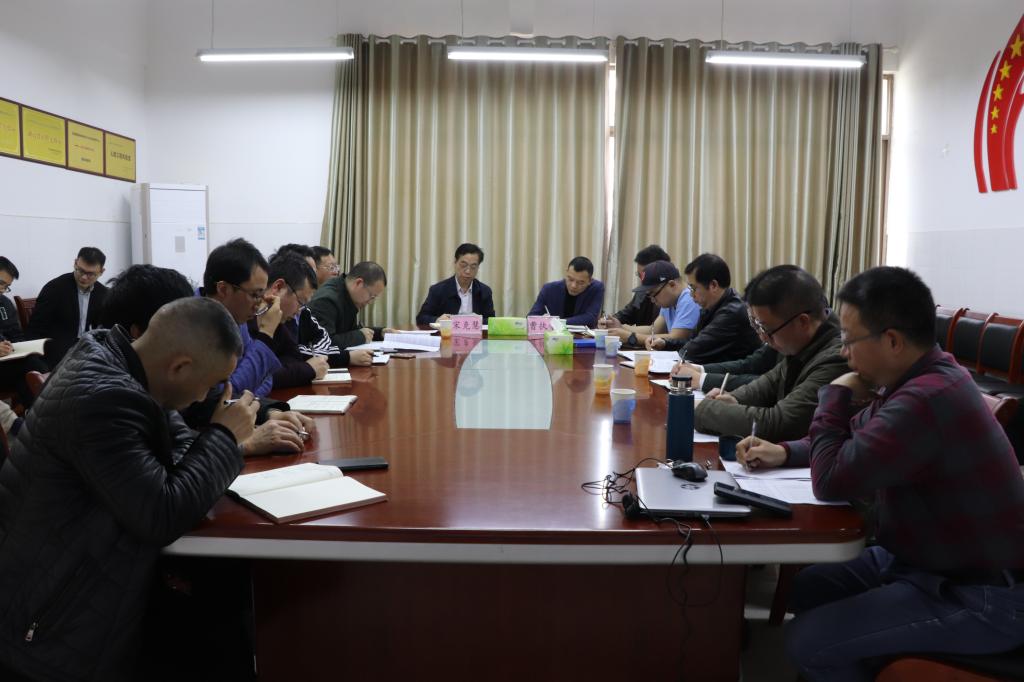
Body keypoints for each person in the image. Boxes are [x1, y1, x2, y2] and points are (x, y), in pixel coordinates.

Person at [765, 266, 1024, 680]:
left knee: (807, 642)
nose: (843, 353)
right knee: (810, 586)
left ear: (892, 341)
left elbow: (831, 481)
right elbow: (856, 437)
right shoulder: (919, 378)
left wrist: (836, 393)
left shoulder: (926, 399)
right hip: (925, 560)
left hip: (981, 594)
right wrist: (783, 452)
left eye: (849, 340)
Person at [0, 297, 257, 682]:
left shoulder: (128, 368)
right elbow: (162, 513)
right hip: (47, 631)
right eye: (209, 385)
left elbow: (178, 450)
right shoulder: (103, 398)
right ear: (180, 366)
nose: (204, 397)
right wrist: (223, 436)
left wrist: (211, 444)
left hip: (77, 588)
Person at [100, 263, 312, 457]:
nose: (259, 303)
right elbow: (166, 475)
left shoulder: (147, 371)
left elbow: (208, 398)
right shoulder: (108, 401)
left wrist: (265, 411)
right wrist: (234, 442)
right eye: (254, 294)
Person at [693, 265, 847, 443]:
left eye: (766, 328)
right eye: (757, 326)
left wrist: (703, 410)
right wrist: (734, 398)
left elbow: (780, 423)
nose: (763, 337)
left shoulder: (836, 358)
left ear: (802, 322)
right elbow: (768, 384)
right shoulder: (802, 342)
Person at [200, 238, 281, 397]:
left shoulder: (236, 317)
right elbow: (225, 396)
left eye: (262, 294)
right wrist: (266, 334)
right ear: (223, 289)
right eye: (255, 295)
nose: (260, 303)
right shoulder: (196, 324)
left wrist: (248, 392)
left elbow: (266, 378)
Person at [648, 253, 761, 364]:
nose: (691, 295)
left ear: (713, 285)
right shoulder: (711, 307)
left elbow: (691, 352)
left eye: (694, 288)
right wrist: (665, 343)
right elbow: (692, 341)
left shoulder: (731, 312)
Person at [253, 254, 329, 388]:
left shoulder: (280, 320)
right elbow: (252, 377)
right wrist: (307, 369)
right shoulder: (243, 318)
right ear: (278, 287)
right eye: (301, 302)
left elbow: (294, 359)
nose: (299, 312)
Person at [25, 246, 109, 369]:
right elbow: (34, 331)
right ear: (75, 263)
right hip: (57, 353)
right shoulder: (54, 289)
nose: (84, 277)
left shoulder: (103, 294)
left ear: (101, 272)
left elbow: (104, 329)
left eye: (90, 274)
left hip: (88, 351)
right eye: (80, 270)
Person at [615, 261, 700, 349]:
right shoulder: (670, 302)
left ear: (672, 285)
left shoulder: (690, 299)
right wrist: (620, 327)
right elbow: (653, 329)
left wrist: (631, 337)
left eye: (653, 294)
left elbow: (675, 337)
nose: (652, 300)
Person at [307, 261, 389, 350]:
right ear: (359, 283)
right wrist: (360, 336)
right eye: (372, 296)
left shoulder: (346, 292)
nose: (370, 302)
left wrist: (380, 333)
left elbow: (349, 331)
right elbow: (323, 342)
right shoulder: (327, 300)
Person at [0, 257, 48, 407]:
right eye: (1, 283)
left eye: (6, 286)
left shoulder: (4, 303)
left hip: (7, 364)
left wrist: (22, 347)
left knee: (30, 371)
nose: (2, 290)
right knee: (32, 369)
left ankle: (35, 415)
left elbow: (16, 335)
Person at [415, 243, 496, 325]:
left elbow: (491, 321)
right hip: (447, 332)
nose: (468, 271)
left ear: (478, 267)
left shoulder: (485, 291)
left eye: (473, 267)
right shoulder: (438, 290)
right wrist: (437, 320)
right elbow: (421, 318)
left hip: (474, 333)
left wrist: (478, 320)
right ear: (455, 262)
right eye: (463, 265)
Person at [598, 244, 671, 330]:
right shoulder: (642, 292)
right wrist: (609, 321)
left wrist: (623, 328)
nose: (642, 281)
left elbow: (657, 331)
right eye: (639, 276)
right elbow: (627, 314)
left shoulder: (672, 297)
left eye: (645, 276)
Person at [527, 256, 605, 327]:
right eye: (570, 279)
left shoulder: (596, 288)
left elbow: (590, 317)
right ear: (566, 272)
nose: (573, 286)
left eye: (580, 282)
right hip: (554, 336)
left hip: (583, 336)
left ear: (590, 281)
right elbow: (531, 318)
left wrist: (558, 322)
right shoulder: (549, 289)